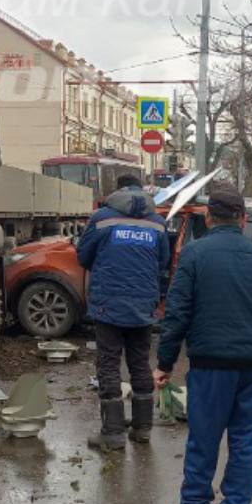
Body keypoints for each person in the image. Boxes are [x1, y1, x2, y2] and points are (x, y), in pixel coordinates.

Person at [153, 183, 252, 504]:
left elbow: (176, 314)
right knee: (246, 445)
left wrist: (164, 363)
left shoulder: (195, 255)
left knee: (203, 441)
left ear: (209, 218)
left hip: (210, 367)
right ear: (243, 220)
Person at [77, 174, 169, 450]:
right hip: (143, 304)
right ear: (142, 191)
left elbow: (83, 256)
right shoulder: (158, 223)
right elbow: (163, 261)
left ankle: (113, 433)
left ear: (118, 191)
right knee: (140, 363)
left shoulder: (102, 218)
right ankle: (142, 430)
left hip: (109, 304)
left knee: (108, 363)